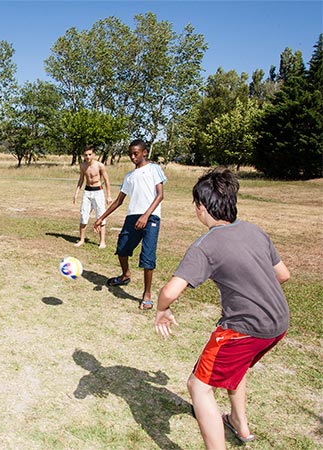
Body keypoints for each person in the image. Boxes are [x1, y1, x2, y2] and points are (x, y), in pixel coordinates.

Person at [154, 168, 290, 449]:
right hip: (278, 324)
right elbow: (283, 275)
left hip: (244, 329)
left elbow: (169, 291)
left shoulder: (205, 245)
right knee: (236, 369)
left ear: (201, 208)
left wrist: (161, 310)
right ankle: (240, 425)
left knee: (199, 387)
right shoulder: (255, 230)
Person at [93, 139, 166, 310]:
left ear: (144, 152)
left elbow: (160, 195)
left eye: (136, 153)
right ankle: (125, 275)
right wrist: (101, 217)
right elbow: (119, 201)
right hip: (132, 217)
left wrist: (146, 216)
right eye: (131, 154)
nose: (133, 157)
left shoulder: (154, 169)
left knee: (147, 257)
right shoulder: (129, 176)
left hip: (151, 217)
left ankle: (146, 295)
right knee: (122, 248)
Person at [73, 146, 112, 248]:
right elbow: (81, 179)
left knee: (101, 216)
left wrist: (109, 196)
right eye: (86, 155)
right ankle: (81, 240)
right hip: (87, 192)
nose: (88, 157)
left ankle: (102, 241)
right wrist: (76, 192)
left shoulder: (100, 166)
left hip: (98, 192)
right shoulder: (82, 166)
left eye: (90, 154)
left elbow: (107, 180)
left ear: (94, 155)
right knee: (83, 215)